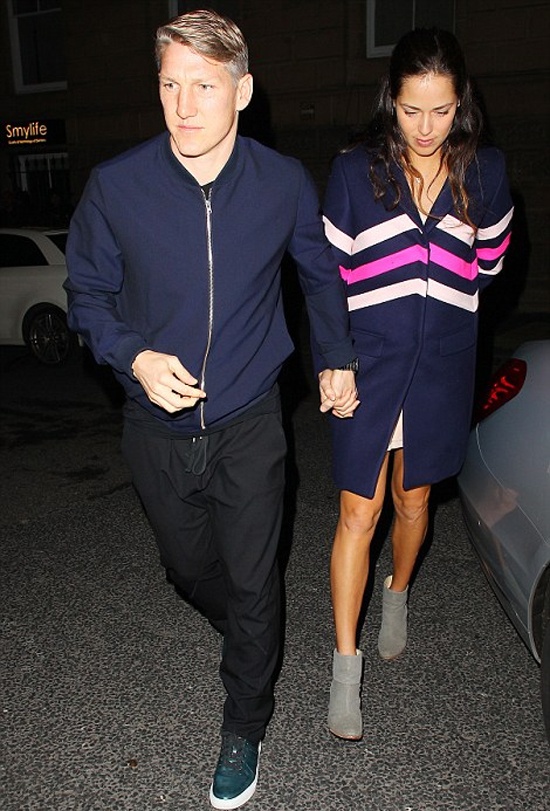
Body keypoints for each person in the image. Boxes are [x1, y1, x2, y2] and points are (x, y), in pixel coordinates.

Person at [64, 9, 358, 809]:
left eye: (204, 86)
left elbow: (318, 275)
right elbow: (85, 293)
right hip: (154, 425)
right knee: (189, 568)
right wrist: (133, 355)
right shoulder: (117, 186)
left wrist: (335, 355)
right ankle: (253, 632)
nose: (184, 106)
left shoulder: (281, 182)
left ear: (243, 90)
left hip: (250, 417)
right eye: (170, 85)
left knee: (255, 578)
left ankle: (244, 721)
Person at [322, 27, 513, 740]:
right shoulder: (355, 173)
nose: (426, 127)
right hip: (368, 367)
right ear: (390, 101)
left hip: (440, 369)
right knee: (357, 511)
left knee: (413, 500)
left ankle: (398, 591)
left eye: (441, 110)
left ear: (461, 103)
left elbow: (488, 268)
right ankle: (345, 667)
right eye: (411, 110)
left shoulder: (486, 172)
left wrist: (439, 315)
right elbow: (326, 280)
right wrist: (335, 358)